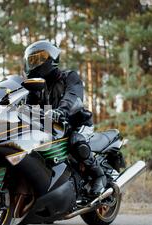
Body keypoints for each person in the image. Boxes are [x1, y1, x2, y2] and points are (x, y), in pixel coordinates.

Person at [24, 40, 105, 197]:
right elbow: (27, 105)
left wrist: (61, 111)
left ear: (51, 59)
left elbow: (73, 96)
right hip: (51, 127)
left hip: (76, 123)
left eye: (38, 59)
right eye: (31, 60)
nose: (34, 64)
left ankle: (98, 176)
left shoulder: (69, 77)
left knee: (75, 140)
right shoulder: (35, 87)